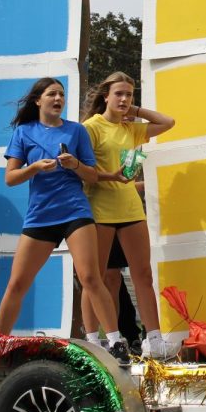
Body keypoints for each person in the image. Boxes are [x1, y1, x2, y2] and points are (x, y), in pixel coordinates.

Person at [0, 79, 128, 363]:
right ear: (38, 101)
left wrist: (74, 164)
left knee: (91, 277)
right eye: (51, 94)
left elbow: (91, 175)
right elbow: (10, 177)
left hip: (75, 212)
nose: (58, 98)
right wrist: (35, 168)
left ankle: (116, 342)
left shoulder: (76, 130)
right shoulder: (24, 132)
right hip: (40, 216)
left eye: (62, 94)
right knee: (17, 283)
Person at [82, 72, 178, 360]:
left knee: (143, 274)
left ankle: (154, 339)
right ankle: (93, 339)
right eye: (119, 94)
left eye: (130, 95)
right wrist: (109, 177)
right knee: (95, 279)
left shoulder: (131, 128)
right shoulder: (90, 127)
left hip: (131, 209)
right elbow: (84, 173)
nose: (124, 99)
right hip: (99, 210)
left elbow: (167, 122)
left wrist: (134, 112)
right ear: (105, 97)